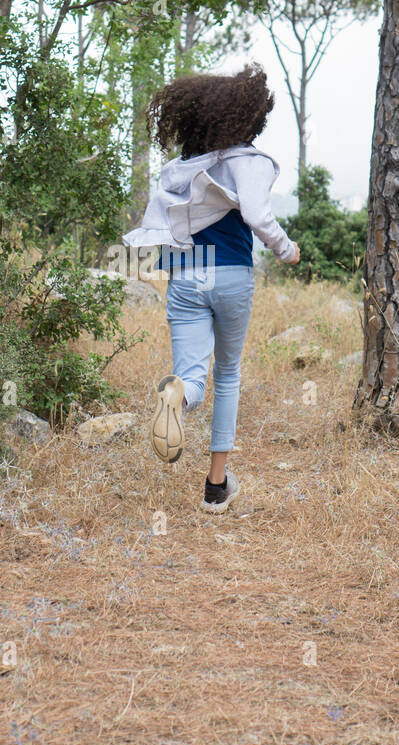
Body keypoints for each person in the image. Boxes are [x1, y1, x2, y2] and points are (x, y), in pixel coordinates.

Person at [124, 63, 300, 513]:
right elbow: (259, 216)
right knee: (229, 374)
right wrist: (286, 249)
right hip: (230, 273)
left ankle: (176, 396)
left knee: (192, 376)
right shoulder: (249, 162)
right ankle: (216, 487)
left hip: (184, 272)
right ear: (247, 118)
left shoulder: (180, 168)